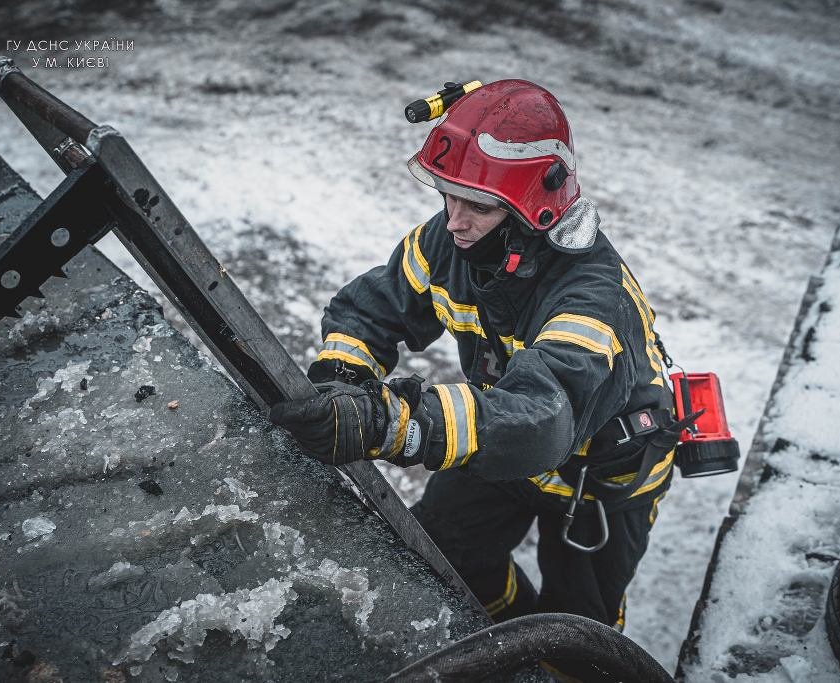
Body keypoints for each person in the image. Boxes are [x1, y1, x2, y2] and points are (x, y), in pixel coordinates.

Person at [270, 79, 677, 642]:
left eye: (478, 205)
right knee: (444, 553)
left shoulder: (593, 298)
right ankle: (505, 647)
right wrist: (344, 380)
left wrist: (396, 425)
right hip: (498, 442)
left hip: (597, 479)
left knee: (578, 631)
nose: (454, 221)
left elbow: (541, 417)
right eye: (447, 196)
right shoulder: (453, 240)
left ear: (533, 208)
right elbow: (372, 309)